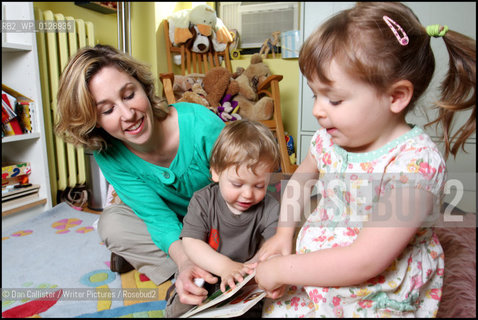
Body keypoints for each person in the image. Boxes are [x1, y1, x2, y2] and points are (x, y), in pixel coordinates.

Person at [253, 2, 476, 318]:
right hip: (322, 255)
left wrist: (283, 269)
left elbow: (365, 260)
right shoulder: (331, 137)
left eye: (334, 99)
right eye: (314, 94)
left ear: (395, 97)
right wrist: (283, 233)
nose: (317, 109)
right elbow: (300, 181)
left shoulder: (415, 164)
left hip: (376, 283)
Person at [55, 44, 226, 306]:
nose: (128, 115)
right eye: (107, 111)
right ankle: (185, 275)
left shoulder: (202, 124)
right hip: (175, 226)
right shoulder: (109, 155)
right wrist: (186, 261)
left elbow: (243, 189)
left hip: (223, 218)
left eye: (129, 94)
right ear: (94, 121)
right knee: (111, 223)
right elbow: (157, 217)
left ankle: (191, 265)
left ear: (142, 86)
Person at [165, 119, 281, 317]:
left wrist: (251, 267)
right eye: (237, 185)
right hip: (206, 273)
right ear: (216, 172)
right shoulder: (203, 200)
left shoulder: (270, 207)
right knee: (180, 311)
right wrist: (225, 267)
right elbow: (191, 243)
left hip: (243, 281)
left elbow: (274, 245)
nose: (247, 194)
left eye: (259, 186)